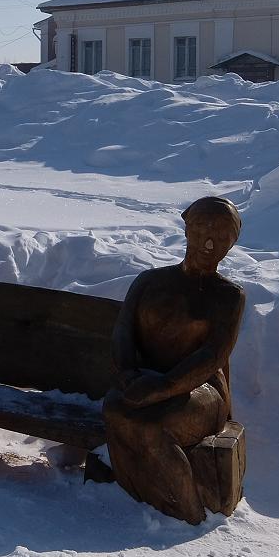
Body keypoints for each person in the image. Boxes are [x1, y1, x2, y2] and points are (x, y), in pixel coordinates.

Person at [102, 196, 245, 524]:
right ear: (187, 229)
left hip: (202, 390)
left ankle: (188, 512)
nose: (209, 243)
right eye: (203, 229)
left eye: (222, 236)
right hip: (147, 380)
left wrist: (163, 387)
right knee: (115, 409)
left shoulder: (229, 296)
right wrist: (127, 374)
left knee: (153, 425)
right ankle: (135, 498)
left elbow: (212, 356)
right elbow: (123, 332)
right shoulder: (149, 282)